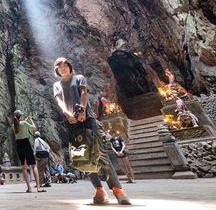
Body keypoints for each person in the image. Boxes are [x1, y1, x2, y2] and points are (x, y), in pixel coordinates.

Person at [53, 57, 131, 205]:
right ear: (56, 70)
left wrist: (82, 111)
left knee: (99, 153)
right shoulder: (57, 85)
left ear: (70, 67)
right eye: (59, 67)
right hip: (72, 122)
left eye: (65, 65)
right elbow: (59, 101)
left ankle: (116, 189)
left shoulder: (79, 78)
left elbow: (83, 93)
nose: (63, 68)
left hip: (87, 118)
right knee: (82, 155)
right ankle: (99, 190)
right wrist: (68, 114)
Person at [13, 110, 46, 193]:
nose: (22, 116)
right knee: (33, 165)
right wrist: (31, 120)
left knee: (24, 167)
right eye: (21, 115)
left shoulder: (14, 125)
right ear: (19, 117)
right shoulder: (24, 123)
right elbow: (34, 127)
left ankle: (29, 188)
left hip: (19, 145)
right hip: (26, 144)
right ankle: (38, 187)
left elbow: (20, 125)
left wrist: (26, 120)